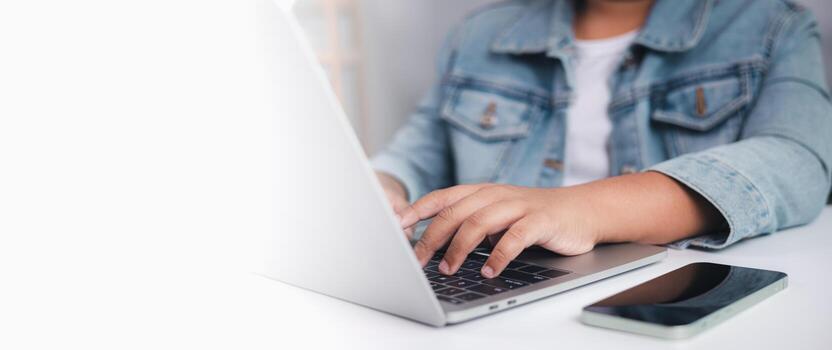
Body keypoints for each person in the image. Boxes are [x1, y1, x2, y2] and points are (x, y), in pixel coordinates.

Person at [371, 0, 832, 279]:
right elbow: (417, 156)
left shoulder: (771, 25)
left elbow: (798, 160)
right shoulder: (479, 34)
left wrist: (581, 208)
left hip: (668, 293)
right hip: (499, 285)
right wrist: (384, 189)